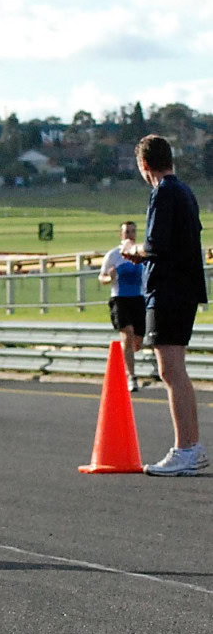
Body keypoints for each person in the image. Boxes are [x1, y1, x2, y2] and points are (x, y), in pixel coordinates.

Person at [120, 135, 208, 476]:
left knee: (170, 370)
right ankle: (189, 446)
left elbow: (155, 245)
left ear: (144, 165)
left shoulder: (162, 193)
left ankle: (187, 447)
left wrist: (133, 250)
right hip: (183, 288)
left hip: (168, 290)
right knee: (174, 370)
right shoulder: (185, 191)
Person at [98, 221, 145, 393]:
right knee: (128, 333)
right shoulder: (113, 255)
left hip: (139, 299)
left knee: (137, 341)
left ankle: (130, 358)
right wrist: (109, 278)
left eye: (133, 231)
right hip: (120, 299)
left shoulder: (141, 253)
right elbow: (101, 277)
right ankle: (131, 376)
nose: (130, 235)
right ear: (121, 235)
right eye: (127, 232)